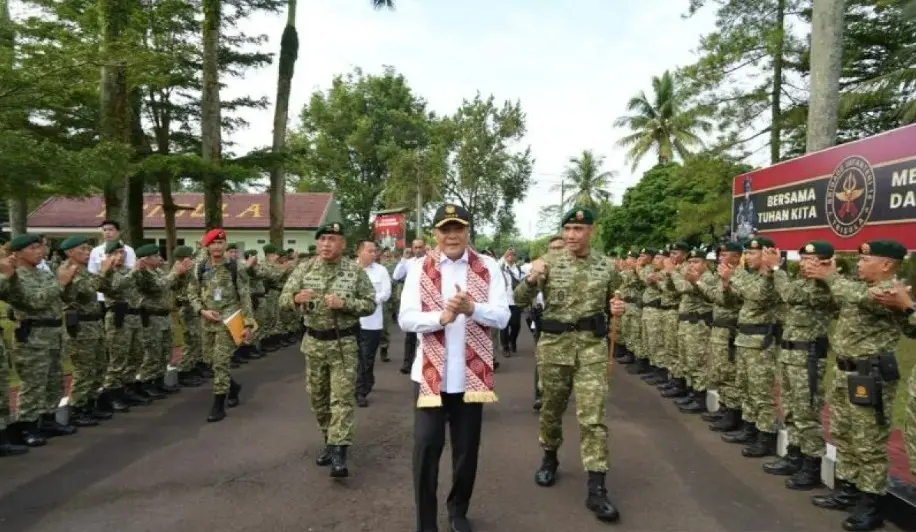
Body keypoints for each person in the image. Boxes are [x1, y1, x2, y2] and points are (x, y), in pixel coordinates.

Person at [399, 204, 509, 532]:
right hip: (430, 377)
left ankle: (458, 511)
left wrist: (473, 308)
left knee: (466, 452)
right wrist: (441, 317)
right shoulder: (420, 267)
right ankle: (425, 523)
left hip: (470, 379)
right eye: (445, 229)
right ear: (435, 233)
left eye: (457, 228)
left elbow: (503, 316)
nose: (451, 236)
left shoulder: (487, 266)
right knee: (426, 450)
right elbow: (405, 319)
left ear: (467, 231)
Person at [515, 206, 624, 523]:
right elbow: (519, 299)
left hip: (591, 348)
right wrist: (532, 278)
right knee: (551, 408)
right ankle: (550, 457)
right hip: (554, 348)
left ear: (592, 230)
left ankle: (597, 487)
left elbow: (615, 300)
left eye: (578, 229)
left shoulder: (607, 266)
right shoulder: (548, 262)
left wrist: (619, 307)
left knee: (593, 417)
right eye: (567, 229)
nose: (572, 235)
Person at [807, 240, 915, 531]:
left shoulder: (889, 291)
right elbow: (839, 296)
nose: (859, 264)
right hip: (846, 372)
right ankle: (849, 490)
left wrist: (830, 276)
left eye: (866, 260)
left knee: (869, 442)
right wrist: (825, 277)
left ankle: (871, 504)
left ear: (886, 264)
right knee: (844, 434)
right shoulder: (857, 286)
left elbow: (856, 296)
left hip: (870, 376)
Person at [278, 222, 376, 478]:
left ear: (343, 244)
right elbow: (283, 300)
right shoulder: (304, 268)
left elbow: (370, 304)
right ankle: (330, 441)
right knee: (319, 399)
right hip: (314, 344)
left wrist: (345, 304)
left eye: (332, 239)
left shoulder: (354, 271)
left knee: (342, 399)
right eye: (322, 239)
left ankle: (340, 452)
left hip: (343, 344)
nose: (326, 244)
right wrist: (295, 299)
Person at [761, 240, 836, 489]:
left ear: (826, 262)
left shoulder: (824, 287)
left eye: (812, 260)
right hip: (790, 355)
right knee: (792, 410)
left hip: (808, 357)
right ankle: (795, 456)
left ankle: (811, 465)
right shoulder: (802, 282)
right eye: (803, 259)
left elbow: (790, 295)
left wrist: (776, 269)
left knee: (807, 413)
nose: (805, 265)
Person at [2, 234, 79, 447]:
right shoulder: (16, 277)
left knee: (54, 380)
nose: (39, 252)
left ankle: (48, 419)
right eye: (33, 248)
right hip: (33, 336)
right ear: (17, 254)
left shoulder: (44, 274)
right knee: (34, 383)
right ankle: (27, 426)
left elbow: (62, 298)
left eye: (39, 247)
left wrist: (68, 282)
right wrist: (61, 283)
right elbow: (35, 301)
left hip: (53, 333)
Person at [187, 229, 253, 423]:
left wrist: (248, 324)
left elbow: (245, 295)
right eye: (213, 243)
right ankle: (233, 388)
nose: (217, 247)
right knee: (209, 360)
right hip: (207, 320)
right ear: (207, 246)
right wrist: (202, 310)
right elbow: (192, 292)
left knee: (220, 362)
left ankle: (218, 405)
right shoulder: (199, 267)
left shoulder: (235, 267)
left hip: (228, 320)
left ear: (225, 245)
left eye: (220, 243)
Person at [59, 235, 114, 426]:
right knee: (84, 369)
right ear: (70, 252)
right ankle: (77, 408)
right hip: (80, 326)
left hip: (94, 324)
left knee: (99, 366)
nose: (87, 252)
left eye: (88, 248)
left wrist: (106, 273)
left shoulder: (85, 270)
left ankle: (90, 403)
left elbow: (105, 287)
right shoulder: (68, 270)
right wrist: (103, 271)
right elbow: (88, 290)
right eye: (82, 249)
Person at [354, 239, 391, 408]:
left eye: (375, 251)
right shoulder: (349, 269)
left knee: (367, 356)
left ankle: (361, 390)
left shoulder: (381, 271)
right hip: (351, 321)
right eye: (370, 251)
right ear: (359, 252)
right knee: (353, 357)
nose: (374, 254)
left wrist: (367, 301)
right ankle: (363, 382)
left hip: (372, 321)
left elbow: (386, 293)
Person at [532, 236, 566, 411]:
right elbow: (522, 295)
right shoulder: (541, 267)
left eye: (560, 248)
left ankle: (560, 392)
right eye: (553, 248)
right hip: (546, 322)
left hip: (572, 326)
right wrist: (533, 277)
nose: (556, 252)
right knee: (542, 360)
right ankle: (540, 394)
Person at [394, 238, 428, 374]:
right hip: (413, 303)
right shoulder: (408, 262)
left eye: (420, 247)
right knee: (410, 336)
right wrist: (403, 258)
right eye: (415, 247)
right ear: (412, 249)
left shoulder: (430, 260)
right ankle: (407, 364)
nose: (418, 250)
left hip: (427, 302)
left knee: (427, 336)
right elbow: (396, 276)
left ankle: (426, 364)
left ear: (424, 247)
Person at [497, 248, 524, 357]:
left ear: (515, 257)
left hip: (516, 301)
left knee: (516, 325)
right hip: (503, 301)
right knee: (504, 325)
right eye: (508, 255)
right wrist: (504, 255)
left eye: (513, 255)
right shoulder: (501, 267)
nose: (510, 256)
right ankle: (505, 347)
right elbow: (496, 264)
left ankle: (512, 341)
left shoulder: (519, 269)